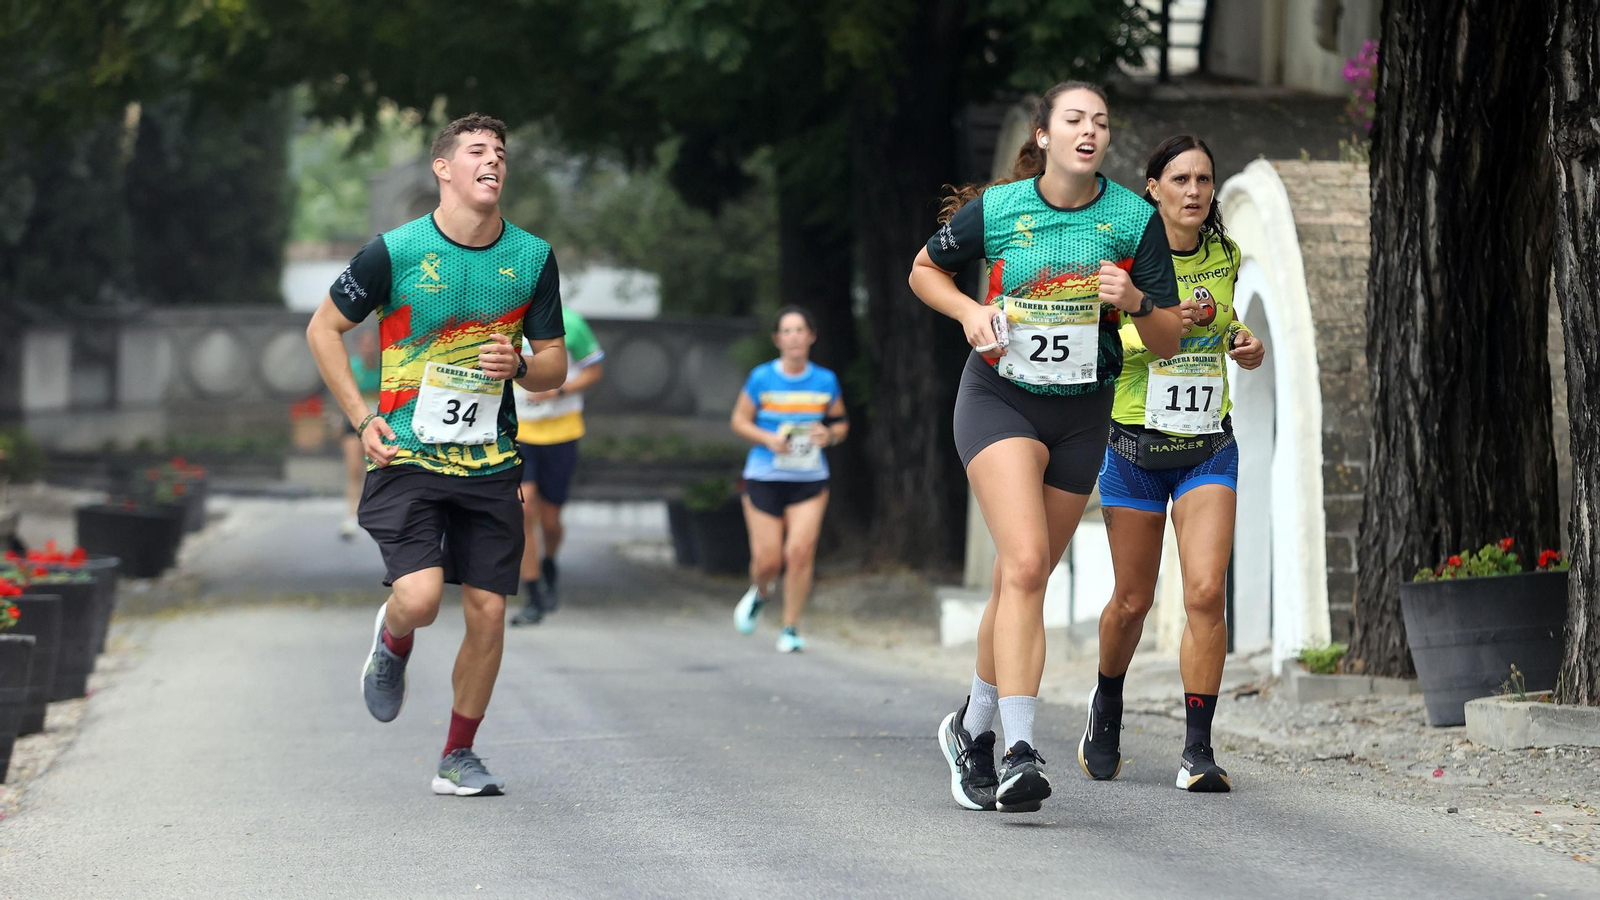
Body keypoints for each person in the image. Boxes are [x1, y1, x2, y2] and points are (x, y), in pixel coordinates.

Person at [910, 82, 1187, 813]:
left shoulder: (1133, 218)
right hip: (999, 397)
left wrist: (1134, 303)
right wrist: (971, 311)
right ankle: (1019, 750)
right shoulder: (1001, 211)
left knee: (1017, 581)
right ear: (1044, 134)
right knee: (1028, 564)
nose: (1090, 130)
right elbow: (923, 269)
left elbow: (1167, 340)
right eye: (1075, 120)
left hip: (1082, 412)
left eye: (1101, 121)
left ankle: (970, 729)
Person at [305, 113, 568, 798]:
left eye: (502, 154)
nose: (493, 161)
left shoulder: (532, 259)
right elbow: (324, 329)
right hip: (408, 454)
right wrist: (360, 419)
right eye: (477, 151)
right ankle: (392, 640)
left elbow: (556, 368)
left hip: (490, 460)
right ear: (443, 169)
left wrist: (519, 366)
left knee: (487, 611)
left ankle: (458, 756)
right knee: (419, 600)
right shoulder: (393, 252)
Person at [1079, 135, 1265, 793]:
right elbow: (1098, 343)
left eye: (1204, 180)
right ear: (1152, 188)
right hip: (1134, 450)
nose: (1194, 191)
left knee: (1206, 592)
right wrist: (1158, 324)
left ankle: (1198, 750)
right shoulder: (1122, 264)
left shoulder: (1225, 254)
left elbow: (1229, 323)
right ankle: (1107, 701)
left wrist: (1244, 342)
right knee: (1131, 601)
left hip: (1206, 447)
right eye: (1180, 179)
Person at [729, 306, 848, 653]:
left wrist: (829, 435)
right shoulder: (761, 378)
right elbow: (739, 420)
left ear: (811, 336)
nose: (794, 337)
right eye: (787, 330)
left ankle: (791, 627)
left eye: (800, 330)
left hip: (809, 479)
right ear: (777, 339)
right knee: (769, 560)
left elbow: (840, 423)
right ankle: (762, 590)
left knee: (799, 552)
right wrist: (768, 439)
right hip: (765, 475)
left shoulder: (825, 380)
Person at [508, 308, 605, 625]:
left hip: (562, 432)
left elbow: (594, 370)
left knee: (550, 522)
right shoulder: (506, 318)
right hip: (519, 432)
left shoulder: (571, 323)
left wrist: (558, 390)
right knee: (524, 511)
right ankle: (533, 594)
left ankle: (549, 562)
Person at [338, 329, 382, 540]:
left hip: (381, 424)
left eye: (371, 343)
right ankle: (350, 517)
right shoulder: (353, 368)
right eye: (365, 343)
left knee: (381, 470)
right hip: (354, 425)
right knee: (355, 470)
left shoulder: (386, 368)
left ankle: (380, 514)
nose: (369, 347)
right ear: (359, 347)